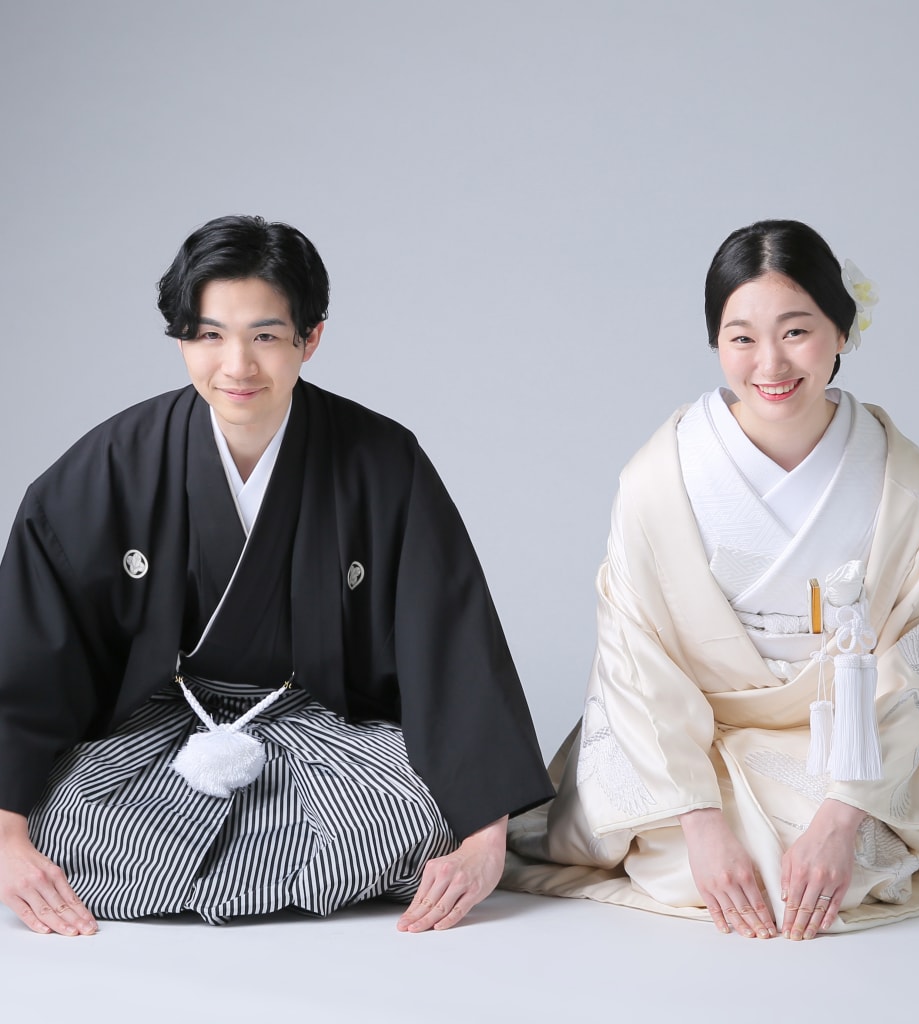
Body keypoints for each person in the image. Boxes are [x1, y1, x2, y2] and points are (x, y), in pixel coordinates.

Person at [0, 214, 553, 936]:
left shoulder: (383, 460)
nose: (237, 366)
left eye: (264, 336)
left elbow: (449, 641)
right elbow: (29, 655)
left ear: (309, 338)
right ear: (181, 340)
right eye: (209, 335)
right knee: (65, 816)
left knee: (419, 812)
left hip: (324, 728)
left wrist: (484, 839)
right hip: (162, 727)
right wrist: (6, 835)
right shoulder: (108, 466)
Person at [503, 219, 919, 939]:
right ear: (716, 342)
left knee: (833, 864)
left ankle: (832, 821)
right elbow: (634, 657)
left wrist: (840, 819)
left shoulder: (903, 483)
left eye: (796, 331)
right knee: (719, 862)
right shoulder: (660, 478)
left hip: (839, 741)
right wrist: (700, 822)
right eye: (741, 337)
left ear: (841, 330)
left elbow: (913, 664)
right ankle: (699, 824)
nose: (770, 363)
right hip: (683, 737)